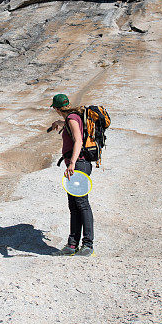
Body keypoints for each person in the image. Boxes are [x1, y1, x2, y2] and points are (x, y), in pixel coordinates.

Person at [48, 93, 94, 256]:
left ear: (56, 108)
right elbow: (70, 123)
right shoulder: (71, 118)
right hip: (76, 165)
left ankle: (87, 245)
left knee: (81, 203)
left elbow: (78, 140)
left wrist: (73, 163)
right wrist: (59, 123)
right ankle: (72, 245)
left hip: (79, 164)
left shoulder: (72, 119)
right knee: (74, 205)